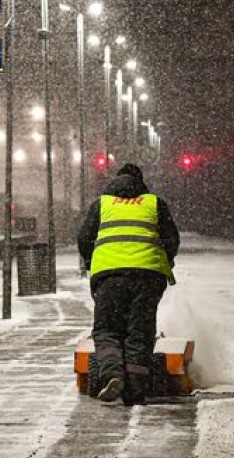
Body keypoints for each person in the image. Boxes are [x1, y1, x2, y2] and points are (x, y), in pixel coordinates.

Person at [76, 163, 180, 405]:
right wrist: (166, 260)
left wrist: (91, 260)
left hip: (109, 276)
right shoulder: (154, 203)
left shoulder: (102, 204)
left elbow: (84, 237)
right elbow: (171, 238)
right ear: (141, 183)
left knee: (107, 330)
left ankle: (113, 375)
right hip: (147, 276)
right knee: (140, 332)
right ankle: (134, 390)